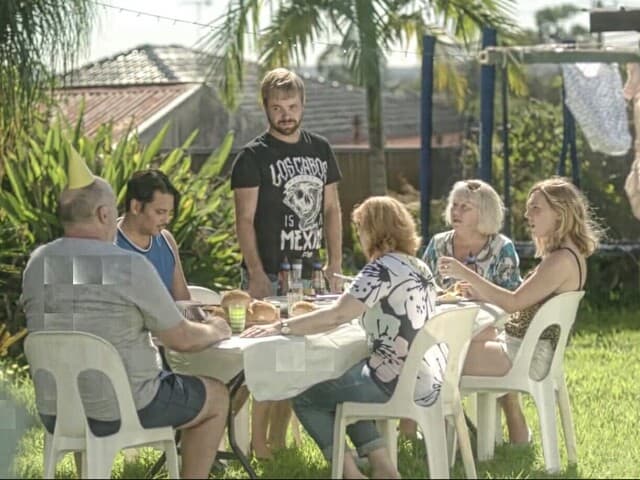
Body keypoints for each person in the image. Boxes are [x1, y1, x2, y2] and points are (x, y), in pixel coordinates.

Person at [21, 143, 232, 479]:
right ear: (104, 214)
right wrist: (218, 329)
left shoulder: (37, 263)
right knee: (217, 396)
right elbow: (182, 339)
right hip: (128, 406)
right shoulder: (128, 266)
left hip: (57, 410)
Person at [242, 196, 439, 479]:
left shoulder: (381, 268)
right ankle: (383, 468)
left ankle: (350, 473)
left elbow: (337, 316)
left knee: (305, 394)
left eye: (360, 228)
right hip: (425, 377)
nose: (359, 236)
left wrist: (281, 326)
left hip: (392, 380)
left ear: (372, 230)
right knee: (342, 390)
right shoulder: (420, 267)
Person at [230, 67, 343, 457]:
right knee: (258, 364)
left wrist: (334, 263)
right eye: (277, 107)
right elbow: (244, 220)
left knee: (294, 365)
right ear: (265, 107)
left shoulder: (320, 149)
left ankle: (275, 444)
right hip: (269, 274)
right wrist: (255, 274)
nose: (285, 115)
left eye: (292, 106)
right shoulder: (252, 157)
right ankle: (229, 436)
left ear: (303, 104)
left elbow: (332, 209)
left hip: (309, 275)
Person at [438, 177, 602, 444]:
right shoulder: (567, 255)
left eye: (536, 208)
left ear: (560, 213)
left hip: (526, 357)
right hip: (527, 350)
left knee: (440, 356)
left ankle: (450, 443)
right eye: (528, 209)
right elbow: (517, 301)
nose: (527, 215)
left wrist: (464, 272)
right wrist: (479, 291)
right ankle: (481, 440)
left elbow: (514, 302)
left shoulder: (561, 260)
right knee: (472, 337)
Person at [423, 179, 521, 291]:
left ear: (485, 212)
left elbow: (512, 295)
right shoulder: (438, 243)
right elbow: (420, 285)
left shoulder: (501, 247)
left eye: (465, 207)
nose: (455, 212)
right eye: (454, 205)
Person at [116, 169, 190, 300]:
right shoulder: (108, 244)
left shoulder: (166, 241)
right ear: (136, 206)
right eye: (160, 212)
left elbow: (183, 301)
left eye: (169, 213)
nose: (166, 220)